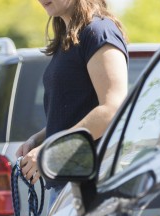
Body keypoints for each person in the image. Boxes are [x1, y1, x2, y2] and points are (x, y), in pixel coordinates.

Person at [16, 0, 129, 188]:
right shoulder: (70, 39)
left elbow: (112, 108)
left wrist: (51, 149)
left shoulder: (98, 31)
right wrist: (38, 140)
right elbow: (74, 114)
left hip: (93, 186)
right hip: (68, 187)